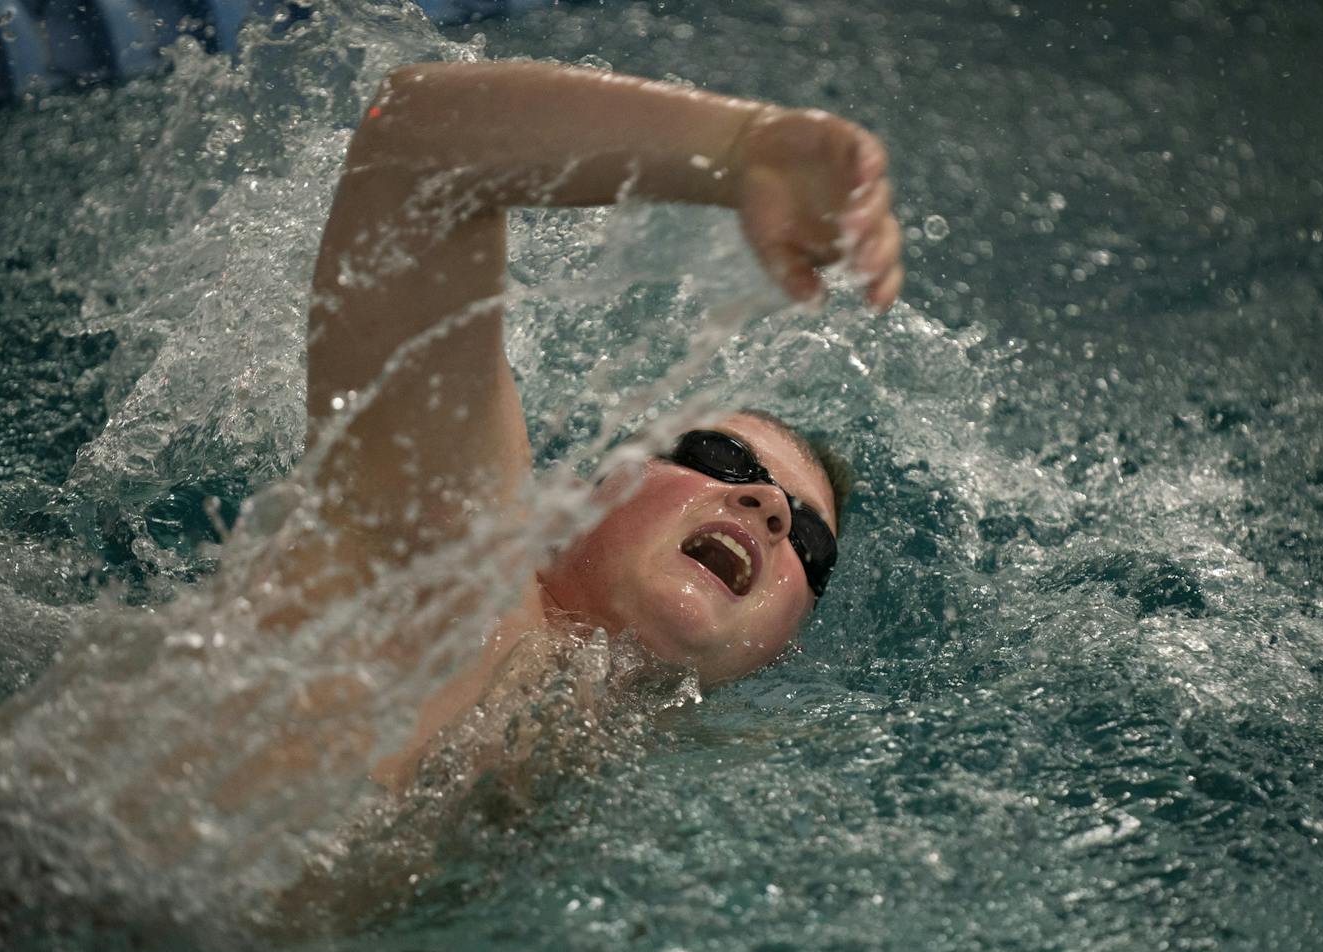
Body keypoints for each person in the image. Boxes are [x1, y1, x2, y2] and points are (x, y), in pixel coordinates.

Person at [272, 59, 903, 795]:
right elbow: (416, 145)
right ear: (563, 501)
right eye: (722, 457)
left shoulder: (597, 790)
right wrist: (738, 148)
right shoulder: (450, 558)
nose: (768, 510)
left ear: (775, 657)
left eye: (809, 542)